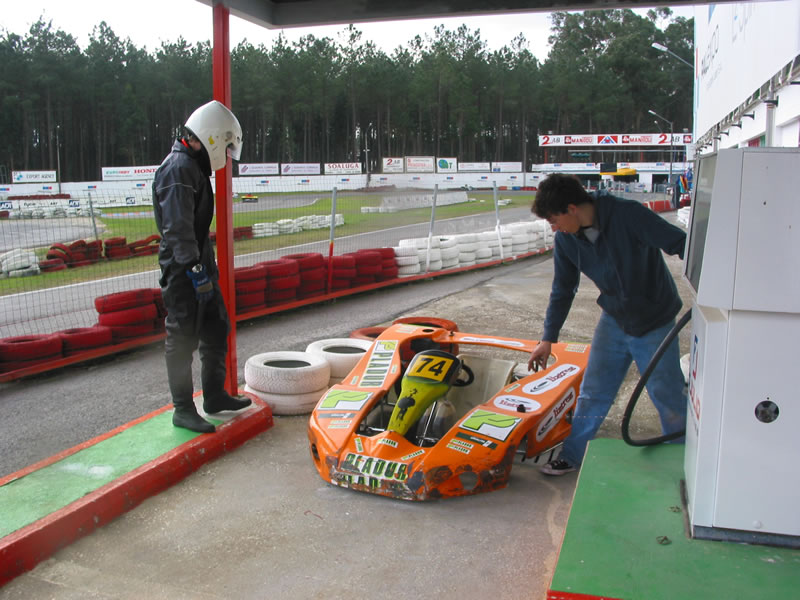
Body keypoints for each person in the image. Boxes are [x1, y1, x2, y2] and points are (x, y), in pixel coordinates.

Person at [527, 173, 687, 475]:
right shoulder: (566, 240)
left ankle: (681, 458)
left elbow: (680, 242)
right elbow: (563, 288)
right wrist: (548, 337)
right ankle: (573, 456)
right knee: (593, 392)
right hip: (614, 318)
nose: (554, 227)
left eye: (554, 219)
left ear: (572, 208)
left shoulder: (627, 215)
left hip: (654, 319)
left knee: (665, 392)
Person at [153, 100, 251, 433]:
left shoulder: (191, 167)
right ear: (210, 137)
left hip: (198, 265)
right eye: (224, 145)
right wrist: (194, 271)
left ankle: (214, 396)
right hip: (183, 270)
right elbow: (177, 229)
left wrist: (204, 270)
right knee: (181, 338)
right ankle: (182, 408)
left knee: (216, 327)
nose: (224, 153)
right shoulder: (178, 168)